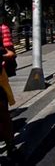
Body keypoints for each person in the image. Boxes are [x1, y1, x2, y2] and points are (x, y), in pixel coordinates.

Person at [0, 20, 18, 160]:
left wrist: (1, 56)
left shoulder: (2, 28)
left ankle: (10, 144)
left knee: (3, 115)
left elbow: (11, 53)